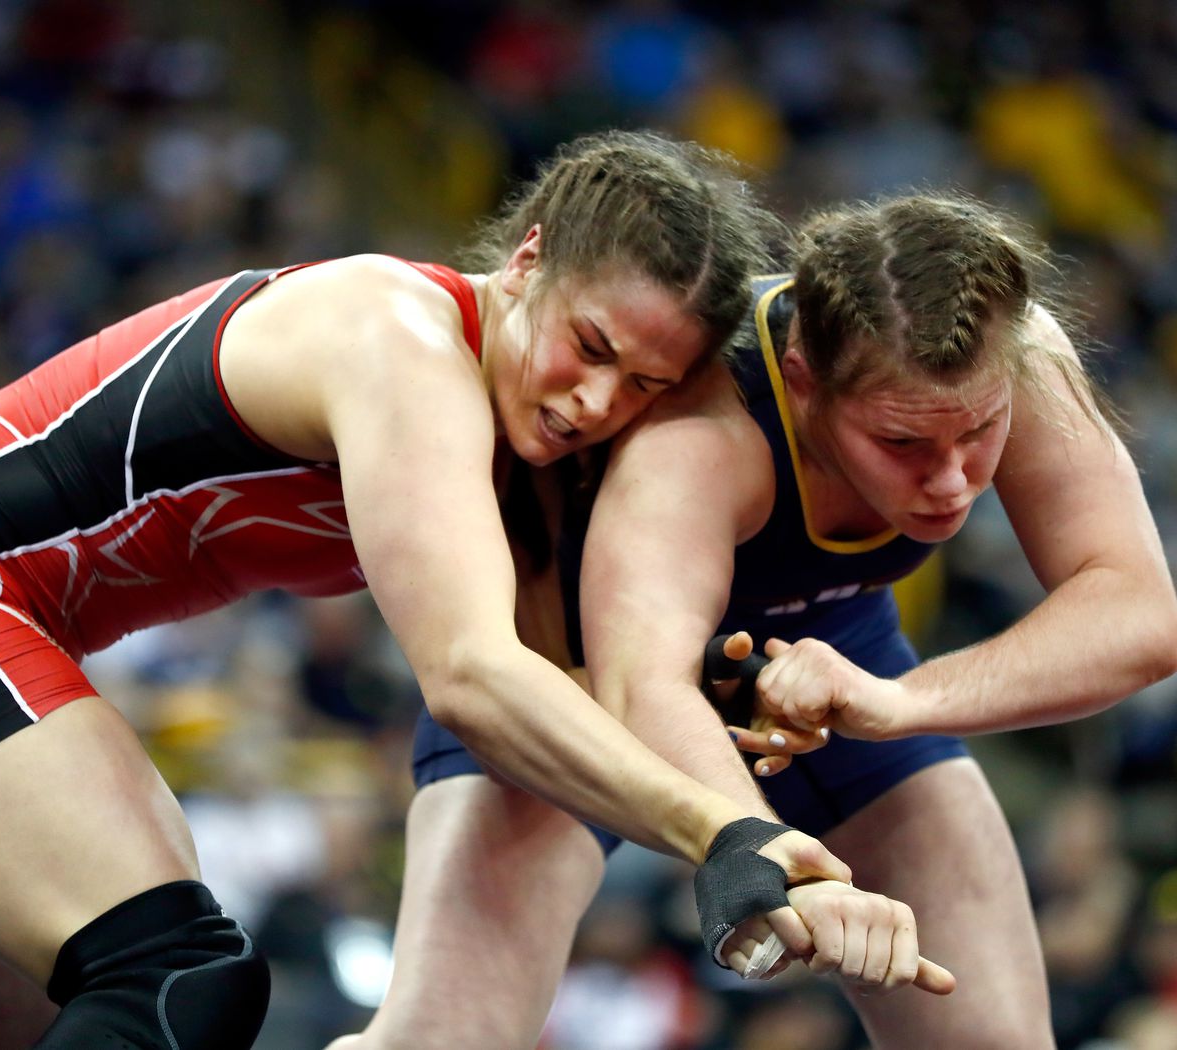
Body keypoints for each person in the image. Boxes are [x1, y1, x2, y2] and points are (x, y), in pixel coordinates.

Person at [0, 130, 936, 1050]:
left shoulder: (519, 469)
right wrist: (720, 827)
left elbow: (570, 707)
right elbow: (471, 679)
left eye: (641, 385)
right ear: (524, 260)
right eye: (586, 347)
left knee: (89, 1023)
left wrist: (748, 784)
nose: (593, 404)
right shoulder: (397, 336)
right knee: (179, 978)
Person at [341, 193, 1177, 1050]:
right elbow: (644, 683)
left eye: (982, 433)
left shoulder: (1017, 354)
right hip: (584, 684)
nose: (954, 481)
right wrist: (764, 848)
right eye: (902, 444)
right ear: (803, 375)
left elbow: (1141, 614)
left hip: (836, 670)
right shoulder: (705, 432)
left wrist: (900, 701)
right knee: (436, 1041)